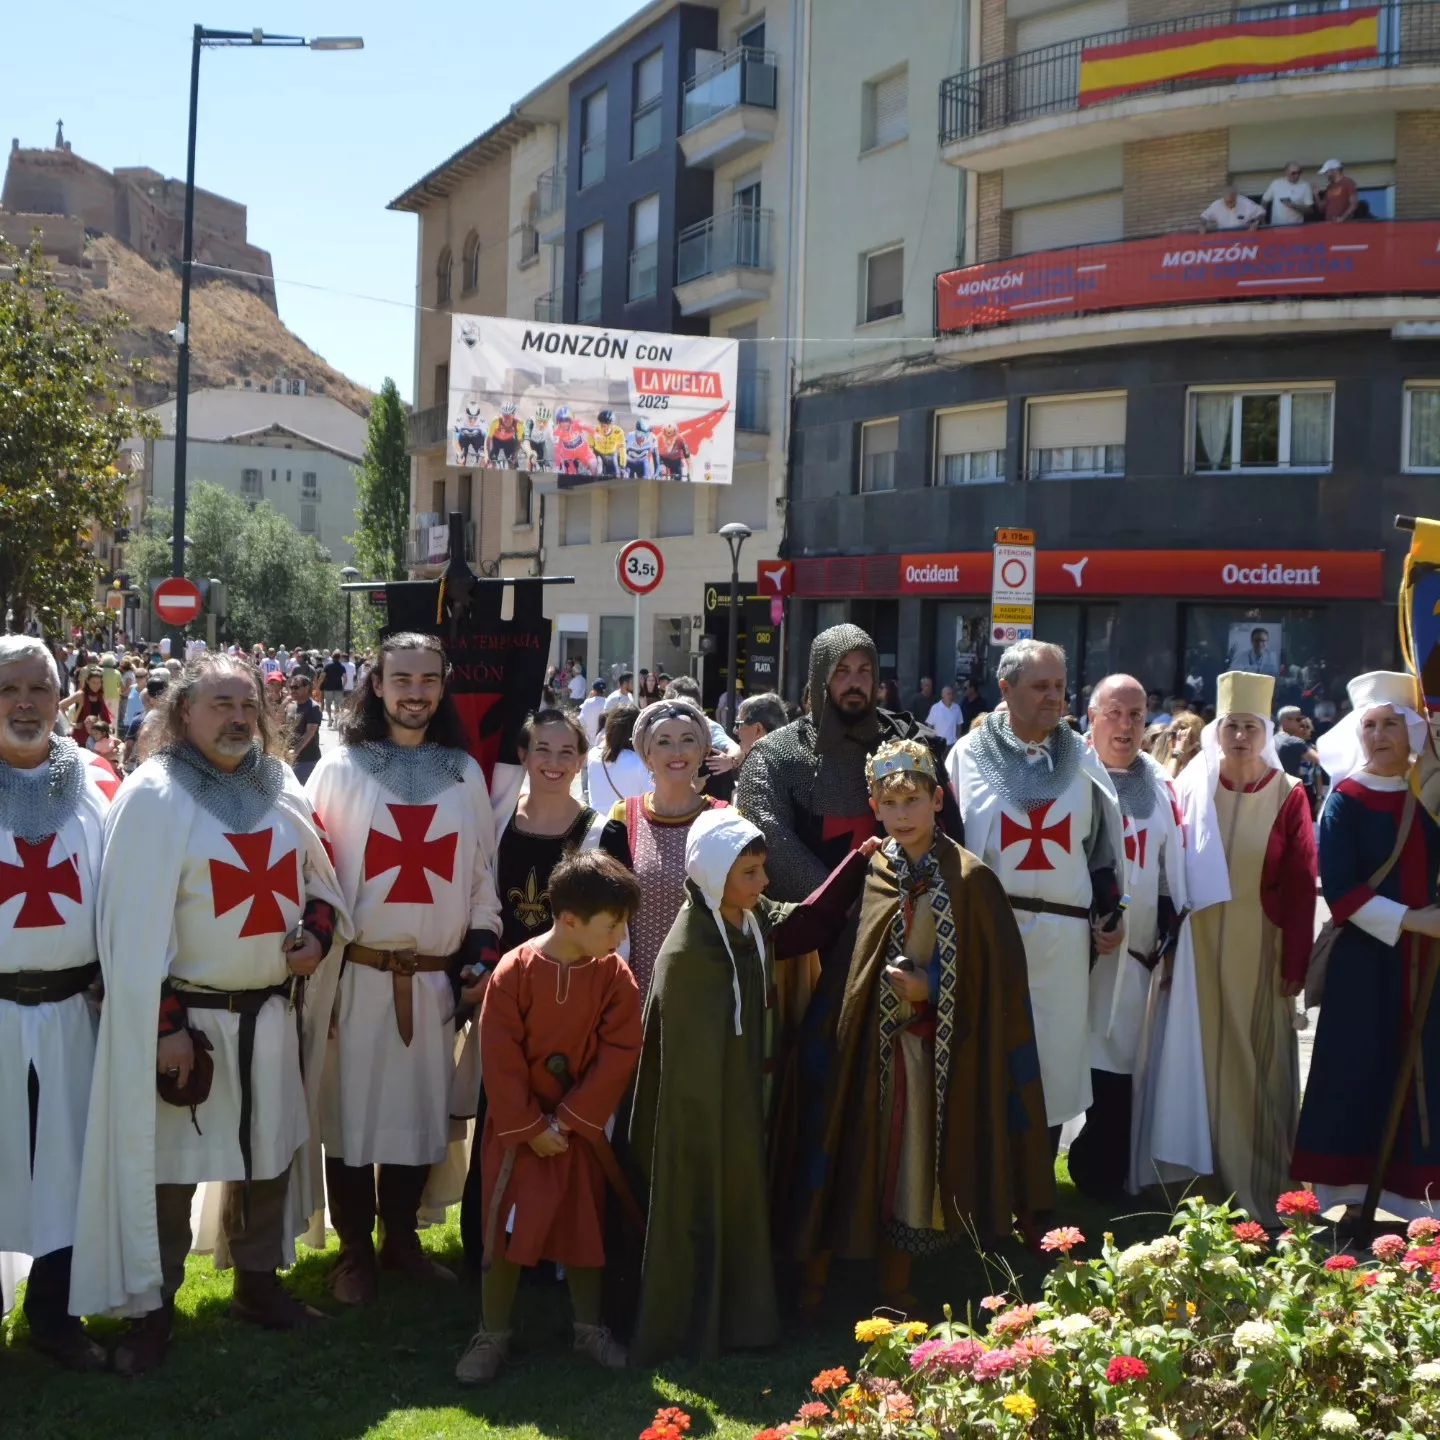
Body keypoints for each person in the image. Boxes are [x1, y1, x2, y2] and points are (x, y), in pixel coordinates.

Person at [71, 654, 350, 1374]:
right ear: (182, 711)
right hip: (189, 1024)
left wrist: (316, 933)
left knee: (269, 1154)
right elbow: (130, 931)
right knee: (168, 1171)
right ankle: (152, 1308)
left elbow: (319, 879)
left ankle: (257, 1285)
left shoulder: (278, 783)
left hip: (268, 1014)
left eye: (246, 706)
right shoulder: (154, 795)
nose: (235, 719)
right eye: (219, 704)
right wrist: (165, 1027)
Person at [788, 740, 1054, 1311]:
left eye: (913, 799)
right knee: (849, 1145)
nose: (903, 814)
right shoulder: (871, 866)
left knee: (912, 1164)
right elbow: (832, 939)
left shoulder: (970, 879)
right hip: (866, 1048)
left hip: (932, 1055)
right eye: (891, 802)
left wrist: (931, 988)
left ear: (937, 800)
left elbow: (998, 984)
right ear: (874, 807)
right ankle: (817, 1268)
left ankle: (895, 1280)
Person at [628, 809, 879, 1364]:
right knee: (705, 1191)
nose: (764, 882)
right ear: (716, 877)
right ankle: (697, 1318)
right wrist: (719, 1114)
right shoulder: (690, 952)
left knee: (744, 1189)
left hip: (744, 1096)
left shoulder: (748, 917)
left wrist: (855, 865)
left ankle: (744, 1311)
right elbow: (688, 1070)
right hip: (706, 1112)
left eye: (762, 869)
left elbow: (807, 923)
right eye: (751, 872)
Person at [304, 632, 501, 1306]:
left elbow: (481, 878)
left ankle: (402, 1243)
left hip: (432, 979)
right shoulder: (341, 768)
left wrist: (478, 954)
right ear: (378, 685)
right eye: (402, 679)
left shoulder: (462, 772)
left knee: (420, 1119)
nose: (415, 692)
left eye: (427, 680)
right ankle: (356, 1251)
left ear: (442, 687)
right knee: (350, 1118)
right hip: (355, 976)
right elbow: (314, 877)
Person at [456, 851, 642, 1386]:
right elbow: (500, 1055)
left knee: (583, 1228)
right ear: (569, 921)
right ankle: (493, 1333)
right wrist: (531, 1128)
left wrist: (570, 1120)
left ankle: (589, 1330)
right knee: (506, 1229)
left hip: (577, 1136)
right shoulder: (513, 973)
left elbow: (619, 1050)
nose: (620, 934)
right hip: (520, 1138)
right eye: (613, 925)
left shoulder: (614, 976)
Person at [945, 640, 1126, 1148]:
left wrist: (1110, 913)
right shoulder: (968, 757)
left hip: (1064, 941)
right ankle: (984, 1194)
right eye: (1039, 686)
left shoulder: (1081, 758)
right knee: (991, 1058)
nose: (1053, 697)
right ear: (1006, 689)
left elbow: (1102, 851)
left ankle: (1038, 1196)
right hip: (992, 934)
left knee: (1053, 1065)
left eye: (1060, 686)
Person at [0, 638, 117, 1370]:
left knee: (69, 1165)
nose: (24, 703)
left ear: (63, 695)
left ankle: (54, 1317)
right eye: (8, 689)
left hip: (75, 1012)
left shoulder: (95, 785)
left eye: (39, 688)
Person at [1292, 673, 1440, 1223]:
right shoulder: (1345, 799)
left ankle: (1421, 1195)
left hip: (1427, 966)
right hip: (1367, 964)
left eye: (1390, 725)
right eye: (1369, 726)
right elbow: (1342, 890)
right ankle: (1354, 1196)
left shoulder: (1431, 798)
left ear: (1412, 734)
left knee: (1426, 1071)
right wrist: (1416, 922)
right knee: (1361, 1069)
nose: (1378, 736)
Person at [1175, 670, 1316, 1227]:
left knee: (1257, 1070)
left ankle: (1265, 1191)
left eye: (1251, 727)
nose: (1240, 737)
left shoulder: (1289, 795)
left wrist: (1296, 963)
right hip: (1198, 951)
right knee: (1200, 1066)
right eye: (1231, 725)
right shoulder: (1193, 785)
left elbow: (1304, 884)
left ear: (1265, 734)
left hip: (1261, 950)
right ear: (1218, 730)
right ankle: (1202, 1189)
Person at [1066, 676, 1187, 1200]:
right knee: (1065, 1062)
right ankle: (1034, 1174)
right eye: (1114, 713)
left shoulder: (1159, 785)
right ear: (1091, 716)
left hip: (1135, 960)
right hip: (1077, 957)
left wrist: (1164, 928)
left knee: (1117, 1073)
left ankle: (1101, 1173)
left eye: (1136, 715)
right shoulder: (1070, 776)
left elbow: (1166, 870)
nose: (1125, 725)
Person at [739, 625, 957, 906]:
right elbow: (773, 844)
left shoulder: (905, 743)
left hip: (898, 920)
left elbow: (947, 832)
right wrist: (837, 905)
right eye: (842, 671)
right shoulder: (775, 756)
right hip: (810, 932)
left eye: (864, 671)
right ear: (821, 678)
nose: (855, 682)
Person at [607, 699, 727, 1003]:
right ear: (647, 755)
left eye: (688, 740)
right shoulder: (623, 816)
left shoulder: (723, 818)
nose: (677, 752)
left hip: (702, 991)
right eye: (664, 742)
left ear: (701, 751)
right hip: (633, 991)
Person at [586, 705, 652, 815]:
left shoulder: (593, 755)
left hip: (597, 823)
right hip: (628, 824)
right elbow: (650, 798)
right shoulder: (640, 762)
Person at [286, 671, 323, 784]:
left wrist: (295, 752)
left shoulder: (313, 708)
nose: (293, 690)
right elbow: (281, 726)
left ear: (307, 688)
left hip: (307, 760)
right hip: (290, 758)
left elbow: (309, 734)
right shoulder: (290, 706)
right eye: (291, 687)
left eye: (296, 687)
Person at [1262, 161, 1313, 226]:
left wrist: (1294, 206)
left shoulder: (1305, 185)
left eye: (1299, 172)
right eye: (1293, 173)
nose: (1297, 175)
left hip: (1296, 226)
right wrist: (1263, 222)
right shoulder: (1276, 184)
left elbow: (1310, 210)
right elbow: (1264, 202)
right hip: (1277, 226)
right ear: (1286, 172)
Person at [1317, 158, 1359, 223]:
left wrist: (1343, 218)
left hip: (1344, 225)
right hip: (1330, 224)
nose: (1326, 175)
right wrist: (1316, 195)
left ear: (1335, 171)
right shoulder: (1329, 187)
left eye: (1327, 172)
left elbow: (1354, 204)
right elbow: (1322, 208)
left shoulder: (1348, 183)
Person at [321, 651, 346, 726]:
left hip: (328, 687)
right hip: (338, 687)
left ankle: (329, 719)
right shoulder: (342, 667)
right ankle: (335, 721)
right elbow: (345, 678)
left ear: (332, 657)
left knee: (328, 704)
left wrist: (320, 685)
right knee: (337, 705)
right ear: (339, 658)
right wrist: (343, 686)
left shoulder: (327, 666)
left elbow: (322, 676)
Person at [580, 679, 608, 745]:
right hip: (604, 741)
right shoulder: (608, 702)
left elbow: (581, 720)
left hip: (590, 740)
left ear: (593, 689)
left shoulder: (588, 702)